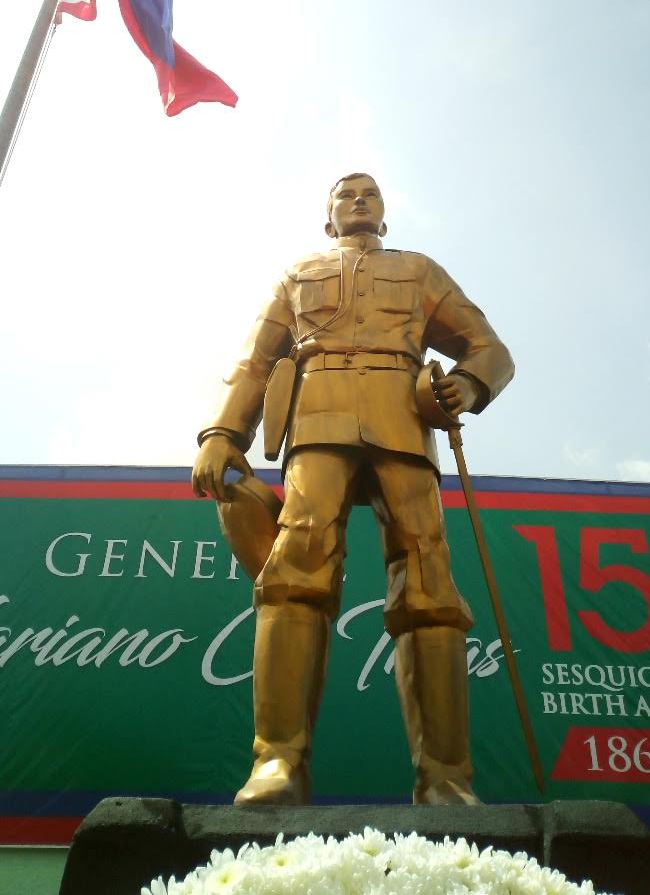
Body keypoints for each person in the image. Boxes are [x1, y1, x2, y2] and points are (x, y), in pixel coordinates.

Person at [192, 172, 514, 805]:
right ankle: (278, 763)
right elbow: (255, 362)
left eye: (370, 194)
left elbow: (489, 348)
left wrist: (470, 387)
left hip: (404, 421)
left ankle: (446, 777)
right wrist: (222, 430)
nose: (359, 201)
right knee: (295, 569)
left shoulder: (420, 271)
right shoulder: (297, 274)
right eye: (345, 195)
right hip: (317, 419)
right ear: (328, 218)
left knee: (429, 581)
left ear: (385, 217)